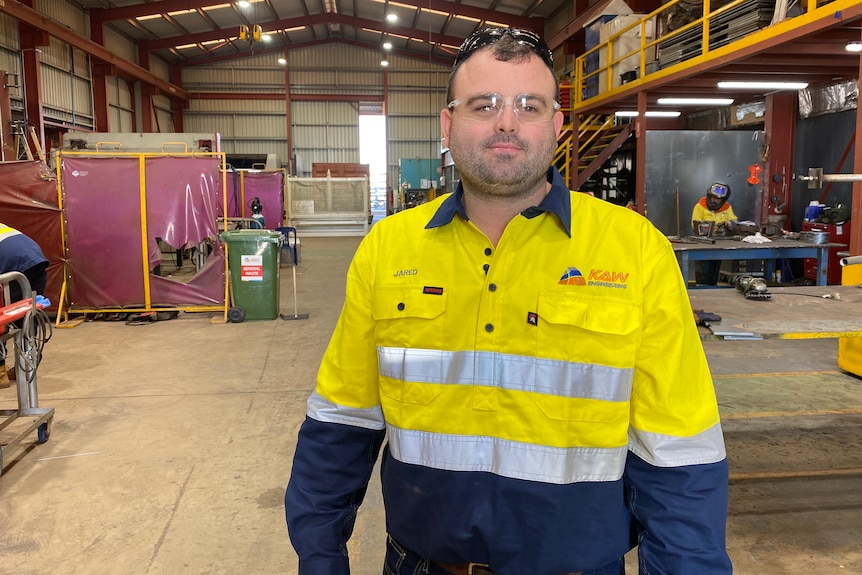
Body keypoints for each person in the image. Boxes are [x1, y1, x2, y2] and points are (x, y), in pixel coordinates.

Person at [285, 27, 732, 575]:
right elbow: (341, 424)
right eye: (484, 104)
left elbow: (680, 456)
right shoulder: (387, 249)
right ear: (447, 125)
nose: (506, 122)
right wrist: (319, 554)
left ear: (557, 126)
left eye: (529, 105)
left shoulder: (636, 251)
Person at [0, 223, 49, 388]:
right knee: (27, 317)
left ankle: (0, 371)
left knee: (2, 318)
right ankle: (28, 362)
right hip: (36, 261)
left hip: (13, 266)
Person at [691, 182, 738, 285]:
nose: (714, 201)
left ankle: (713, 287)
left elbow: (734, 221)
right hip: (702, 246)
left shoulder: (727, 207)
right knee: (703, 273)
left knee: (714, 271)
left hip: (719, 245)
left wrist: (730, 223)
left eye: (718, 199)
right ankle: (701, 287)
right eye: (713, 198)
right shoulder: (699, 206)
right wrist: (709, 228)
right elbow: (695, 225)